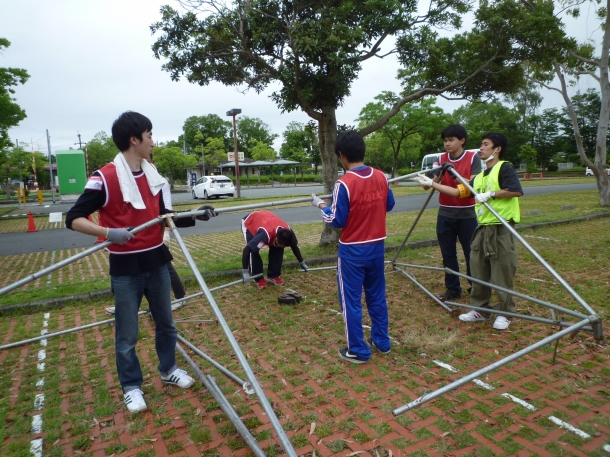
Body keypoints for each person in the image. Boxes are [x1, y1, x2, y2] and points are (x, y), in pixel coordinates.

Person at [65, 111, 217, 413]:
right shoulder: (104, 177)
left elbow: (164, 218)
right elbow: (74, 219)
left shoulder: (153, 173)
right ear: (134, 139)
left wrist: (196, 215)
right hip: (125, 268)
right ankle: (132, 386)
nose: (153, 142)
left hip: (157, 260)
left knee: (166, 324)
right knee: (127, 333)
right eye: (149, 136)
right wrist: (108, 232)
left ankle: (168, 369)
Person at [412, 132, 523, 330]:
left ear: (497, 149)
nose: (481, 148)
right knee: (479, 269)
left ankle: (506, 313)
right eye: (481, 144)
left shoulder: (504, 167)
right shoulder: (479, 177)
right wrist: (432, 183)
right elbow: (457, 192)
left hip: (501, 226)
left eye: (485, 144)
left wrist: (491, 194)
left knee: (502, 271)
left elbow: (515, 190)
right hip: (482, 227)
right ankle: (480, 309)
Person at [312, 130, 395, 364]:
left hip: (352, 252)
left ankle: (358, 350)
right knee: (377, 296)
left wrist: (320, 206)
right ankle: (382, 341)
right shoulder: (381, 176)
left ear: (341, 155)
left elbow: (337, 219)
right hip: (377, 247)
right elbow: (389, 205)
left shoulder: (344, 183)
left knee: (350, 301)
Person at [417, 124, 481, 302]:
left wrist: (451, 174)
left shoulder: (472, 158)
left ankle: (475, 287)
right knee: (448, 254)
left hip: (467, 213)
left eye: (451, 140)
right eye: (445, 140)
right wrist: (431, 176)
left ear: (462, 140)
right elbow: (427, 184)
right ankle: (452, 288)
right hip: (446, 213)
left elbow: (471, 186)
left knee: (471, 253)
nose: (447, 144)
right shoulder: (441, 158)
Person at [241, 210, 308, 289]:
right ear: (276, 238)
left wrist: (301, 262)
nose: (283, 247)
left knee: (278, 249)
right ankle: (258, 278)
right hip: (250, 223)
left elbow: (294, 246)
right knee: (254, 251)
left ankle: (273, 275)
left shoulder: (289, 233)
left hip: (268, 219)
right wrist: (245, 272)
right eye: (282, 245)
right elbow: (247, 250)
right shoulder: (265, 234)